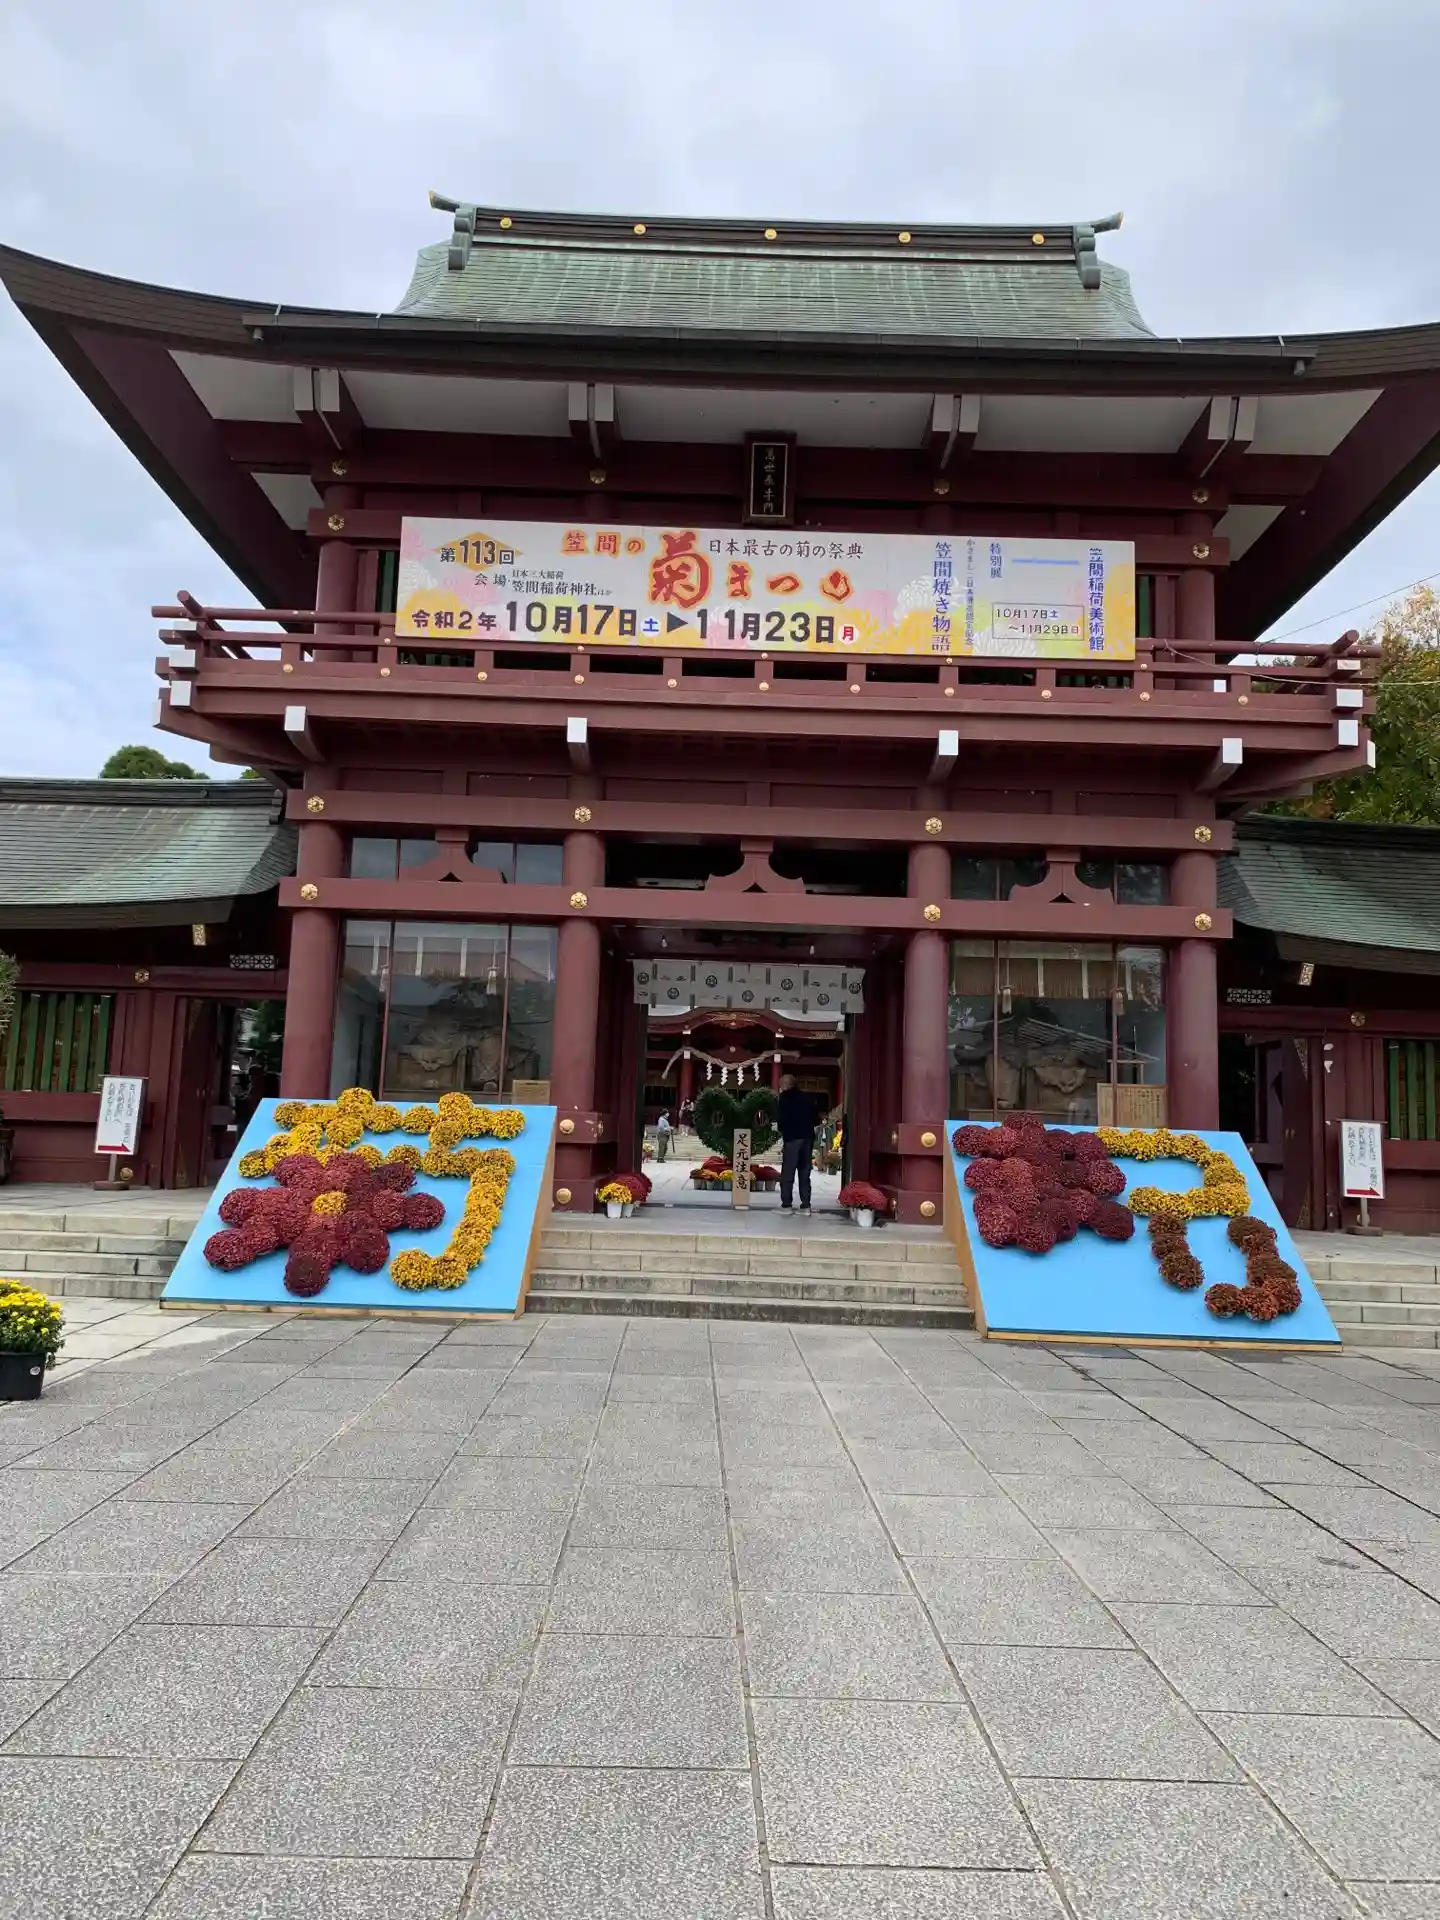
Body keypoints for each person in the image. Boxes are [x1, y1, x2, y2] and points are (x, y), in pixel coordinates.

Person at [776, 1075, 817, 1215]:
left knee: (788, 1172)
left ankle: (786, 1205)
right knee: (804, 1173)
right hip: (807, 1138)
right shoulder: (807, 1097)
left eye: (781, 1085)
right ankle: (805, 1205)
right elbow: (816, 1119)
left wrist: (783, 1131)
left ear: (786, 1085)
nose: (780, 1088)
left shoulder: (784, 1098)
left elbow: (781, 1119)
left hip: (792, 1138)